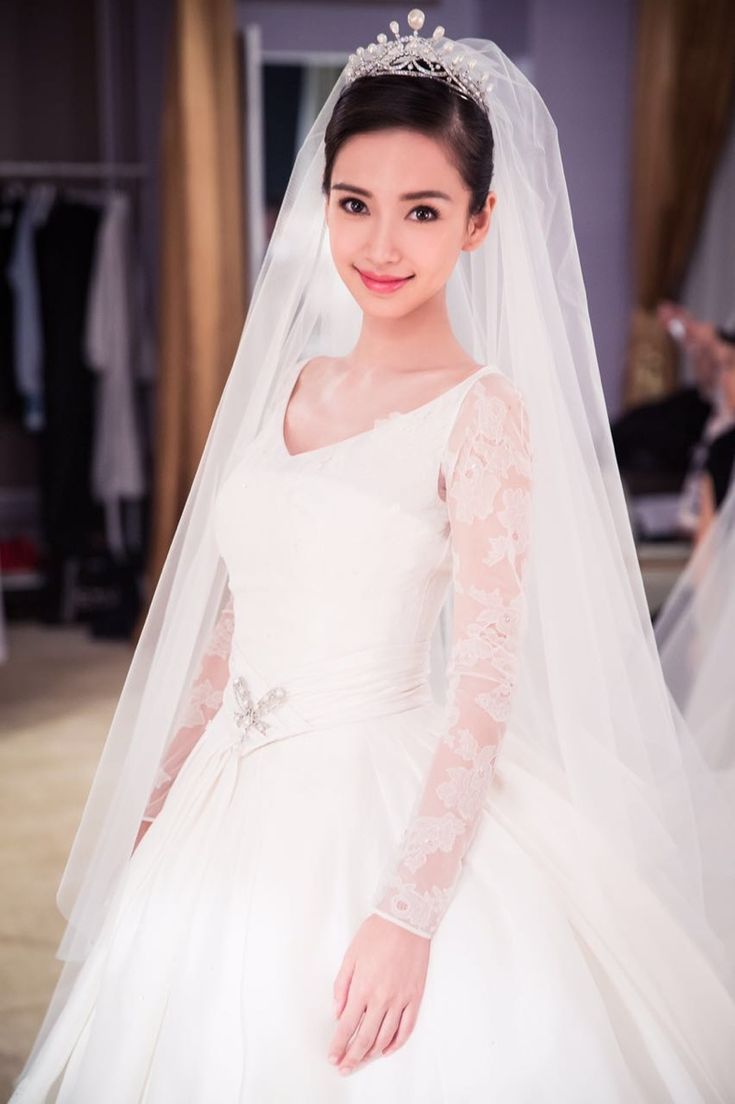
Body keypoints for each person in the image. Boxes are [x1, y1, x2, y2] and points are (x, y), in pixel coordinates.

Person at [9, 11, 735, 1101]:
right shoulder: (293, 384)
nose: (380, 245)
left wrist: (406, 912)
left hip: (376, 793)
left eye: (422, 210)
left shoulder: (481, 411)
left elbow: (486, 681)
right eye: (355, 204)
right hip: (224, 800)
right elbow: (229, 630)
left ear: (480, 224)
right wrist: (154, 813)